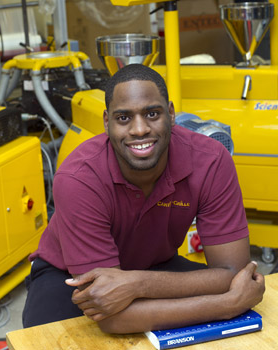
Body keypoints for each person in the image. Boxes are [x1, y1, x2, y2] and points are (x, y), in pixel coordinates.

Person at [22, 64, 265, 334]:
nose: (139, 130)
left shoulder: (210, 160)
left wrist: (137, 283)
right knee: (41, 341)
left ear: (171, 114)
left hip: (154, 265)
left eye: (152, 114)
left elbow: (234, 272)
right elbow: (111, 317)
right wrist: (227, 304)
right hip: (66, 275)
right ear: (107, 122)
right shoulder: (79, 178)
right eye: (124, 118)